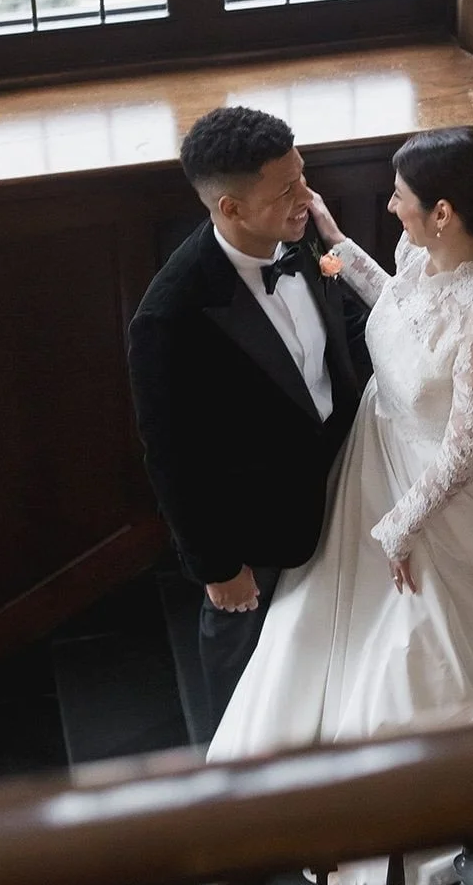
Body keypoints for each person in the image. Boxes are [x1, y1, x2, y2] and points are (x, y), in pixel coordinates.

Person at [206, 126, 473, 885]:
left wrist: (398, 527)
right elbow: (390, 303)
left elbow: (463, 450)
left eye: (399, 196)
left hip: (430, 489)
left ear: (443, 212)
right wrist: (327, 246)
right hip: (374, 445)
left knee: (420, 641)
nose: (388, 204)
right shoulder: (414, 254)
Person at [127, 106, 371, 729]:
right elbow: (171, 460)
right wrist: (218, 569)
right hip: (257, 523)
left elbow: (337, 301)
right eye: (285, 189)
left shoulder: (304, 232)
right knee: (242, 662)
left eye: (302, 174)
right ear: (229, 209)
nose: (306, 196)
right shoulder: (170, 317)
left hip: (345, 472)